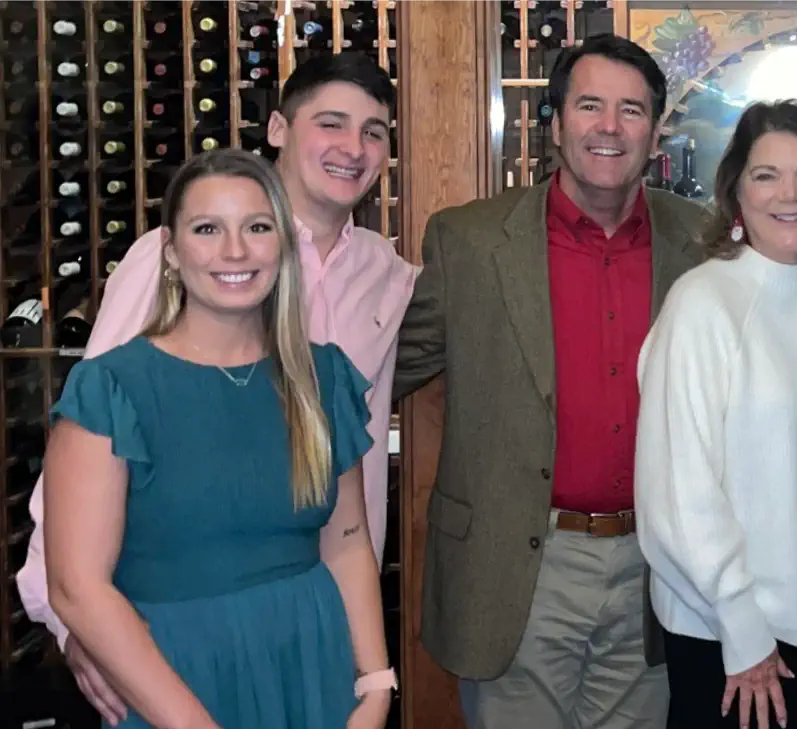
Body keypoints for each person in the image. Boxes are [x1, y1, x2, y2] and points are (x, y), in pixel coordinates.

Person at [17, 52, 415, 724]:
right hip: (173, 654)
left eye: (373, 132)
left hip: (314, 638)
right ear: (280, 129)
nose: (353, 148)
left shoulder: (387, 277)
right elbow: (82, 483)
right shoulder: (144, 297)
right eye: (331, 123)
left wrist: (375, 679)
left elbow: (348, 527)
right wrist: (71, 625)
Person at [393, 34, 707, 729]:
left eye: (631, 110)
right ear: (556, 125)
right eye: (589, 105)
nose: (609, 126)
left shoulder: (703, 242)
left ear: (655, 133)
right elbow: (384, 367)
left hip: (657, 572)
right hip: (518, 568)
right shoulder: (470, 242)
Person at [634, 99, 797, 729]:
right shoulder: (703, 303)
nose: (790, 194)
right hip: (731, 638)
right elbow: (677, 491)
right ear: (736, 193)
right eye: (767, 176)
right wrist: (742, 625)